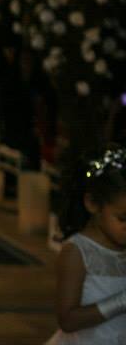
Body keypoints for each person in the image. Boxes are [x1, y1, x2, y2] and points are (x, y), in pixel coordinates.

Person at [48, 146, 126, 344]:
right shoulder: (78, 252)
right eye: (122, 218)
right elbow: (67, 320)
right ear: (92, 204)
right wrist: (121, 301)